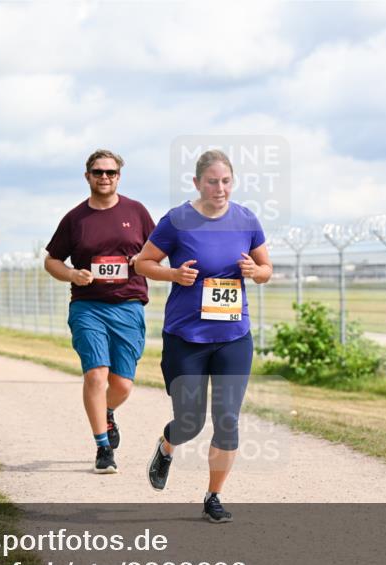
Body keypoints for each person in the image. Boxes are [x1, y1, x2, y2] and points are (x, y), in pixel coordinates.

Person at [134, 149, 273, 523]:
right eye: (212, 181)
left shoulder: (246, 219)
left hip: (233, 335)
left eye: (226, 181)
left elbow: (266, 269)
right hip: (186, 336)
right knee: (189, 422)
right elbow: (142, 262)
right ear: (197, 183)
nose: (220, 188)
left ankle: (214, 495)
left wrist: (254, 271)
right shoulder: (178, 220)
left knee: (227, 419)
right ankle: (167, 446)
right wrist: (174, 275)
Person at [45, 149, 155, 474]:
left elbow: (158, 251)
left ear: (119, 176)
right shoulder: (75, 218)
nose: (104, 177)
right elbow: (51, 260)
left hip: (129, 305)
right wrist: (71, 274)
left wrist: (142, 261)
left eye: (110, 172)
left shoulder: (137, 212)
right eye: (97, 172)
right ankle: (103, 447)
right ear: (87, 176)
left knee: (122, 384)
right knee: (96, 374)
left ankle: (106, 412)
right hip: (87, 305)